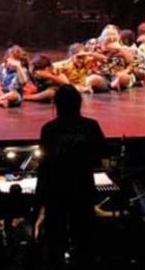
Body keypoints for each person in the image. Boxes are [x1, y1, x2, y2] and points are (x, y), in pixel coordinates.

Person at [34, 85, 106, 268]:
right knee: (84, 242)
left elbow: (45, 166)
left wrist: (40, 200)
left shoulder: (48, 129)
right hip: (82, 191)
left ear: (56, 105)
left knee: (55, 243)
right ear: (79, 103)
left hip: (55, 194)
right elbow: (102, 158)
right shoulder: (90, 126)